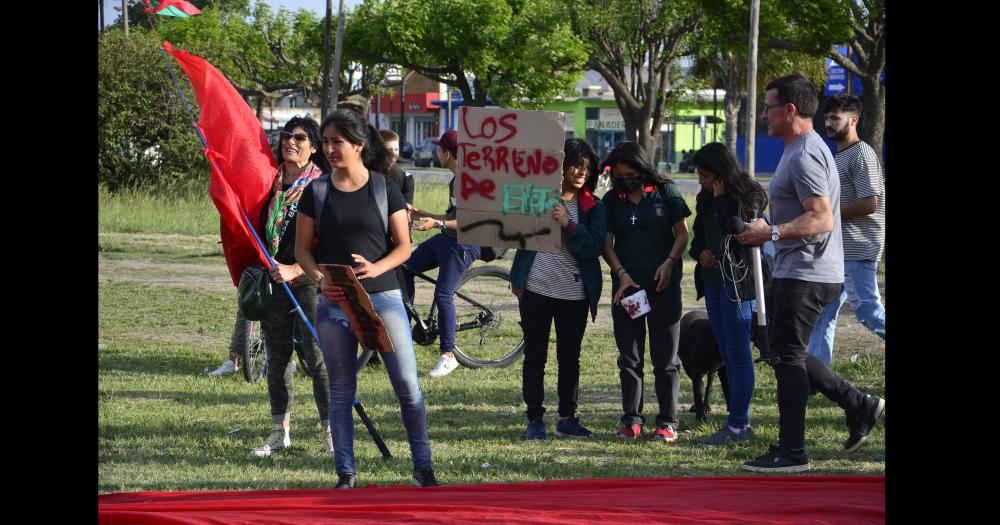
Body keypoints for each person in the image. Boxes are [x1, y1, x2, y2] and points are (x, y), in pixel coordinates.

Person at [735, 75, 884, 472]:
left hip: (806, 272)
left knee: (785, 359)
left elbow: (821, 218)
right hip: (806, 268)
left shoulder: (804, 154)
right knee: (788, 354)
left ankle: (793, 452)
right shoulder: (803, 148)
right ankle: (859, 405)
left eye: (768, 107)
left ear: (789, 110)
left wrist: (772, 231)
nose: (763, 114)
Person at [295, 109, 438, 489]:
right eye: (325, 142)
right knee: (341, 389)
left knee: (407, 385)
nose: (329, 149)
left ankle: (422, 468)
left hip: (385, 297)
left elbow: (405, 247)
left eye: (336, 142)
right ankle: (346, 473)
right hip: (334, 302)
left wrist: (377, 268)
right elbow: (303, 251)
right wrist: (320, 279)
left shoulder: (383, 187)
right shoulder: (317, 191)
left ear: (358, 145)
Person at [510, 139, 607, 441]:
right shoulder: (537, 198)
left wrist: (569, 225)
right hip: (537, 288)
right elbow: (512, 224)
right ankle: (535, 418)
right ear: (560, 166)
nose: (581, 171)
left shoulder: (593, 207)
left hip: (574, 295)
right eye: (576, 164)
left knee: (570, 357)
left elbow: (593, 247)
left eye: (587, 167)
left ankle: (568, 417)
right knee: (535, 356)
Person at [251, 115, 332, 458]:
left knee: (317, 359)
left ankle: (332, 432)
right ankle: (277, 433)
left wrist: (296, 268)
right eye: (286, 135)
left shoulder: (322, 186)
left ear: (313, 147)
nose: (290, 141)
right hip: (273, 281)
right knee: (278, 357)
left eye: (299, 137)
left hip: (309, 282)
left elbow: (330, 242)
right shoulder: (270, 182)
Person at [601, 141, 691, 442]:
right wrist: (621, 274)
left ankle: (667, 421)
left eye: (630, 174)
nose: (624, 179)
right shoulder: (612, 199)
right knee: (630, 356)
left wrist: (669, 263)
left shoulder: (666, 193)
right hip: (630, 291)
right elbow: (606, 244)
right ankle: (631, 419)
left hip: (663, 287)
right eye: (619, 175)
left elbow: (682, 234)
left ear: (642, 170)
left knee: (665, 358)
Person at [689, 142, 768, 446]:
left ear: (722, 175)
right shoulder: (706, 198)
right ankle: (737, 421)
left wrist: (722, 199)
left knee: (738, 354)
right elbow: (697, 237)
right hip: (713, 281)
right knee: (727, 352)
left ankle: (738, 425)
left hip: (738, 284)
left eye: (706, 175)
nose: (701, 181)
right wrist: (701, 253)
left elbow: (740, 233)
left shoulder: (749, 195)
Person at [806, 94, 886, 365]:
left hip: (858, 250)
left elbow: (869, 203)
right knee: (823, 314)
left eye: (835, 118)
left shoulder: (861, 154)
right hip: (839, 252)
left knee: (869, 313)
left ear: (853, 120)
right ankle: (819, 378)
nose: (828, 123)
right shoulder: (840, 155)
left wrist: (827, 215)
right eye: (827, 118)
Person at [405, 129, 481, 378]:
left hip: (464, 244)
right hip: (447, 238)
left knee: (443, 294)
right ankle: (405, 327)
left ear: (447, 153)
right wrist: (424, 214)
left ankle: (448, 355)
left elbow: (470, 223)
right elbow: (452, 217)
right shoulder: (453, 180)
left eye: (438, 149)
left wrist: (436, 224)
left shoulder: (471, 181)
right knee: (405, 266)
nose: (436, 152)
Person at [378, 129, 415, 205]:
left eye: (396, 149)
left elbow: (406, 210)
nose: (394, 154)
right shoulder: (367, 175)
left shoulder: (406, 179)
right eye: (390, 150)